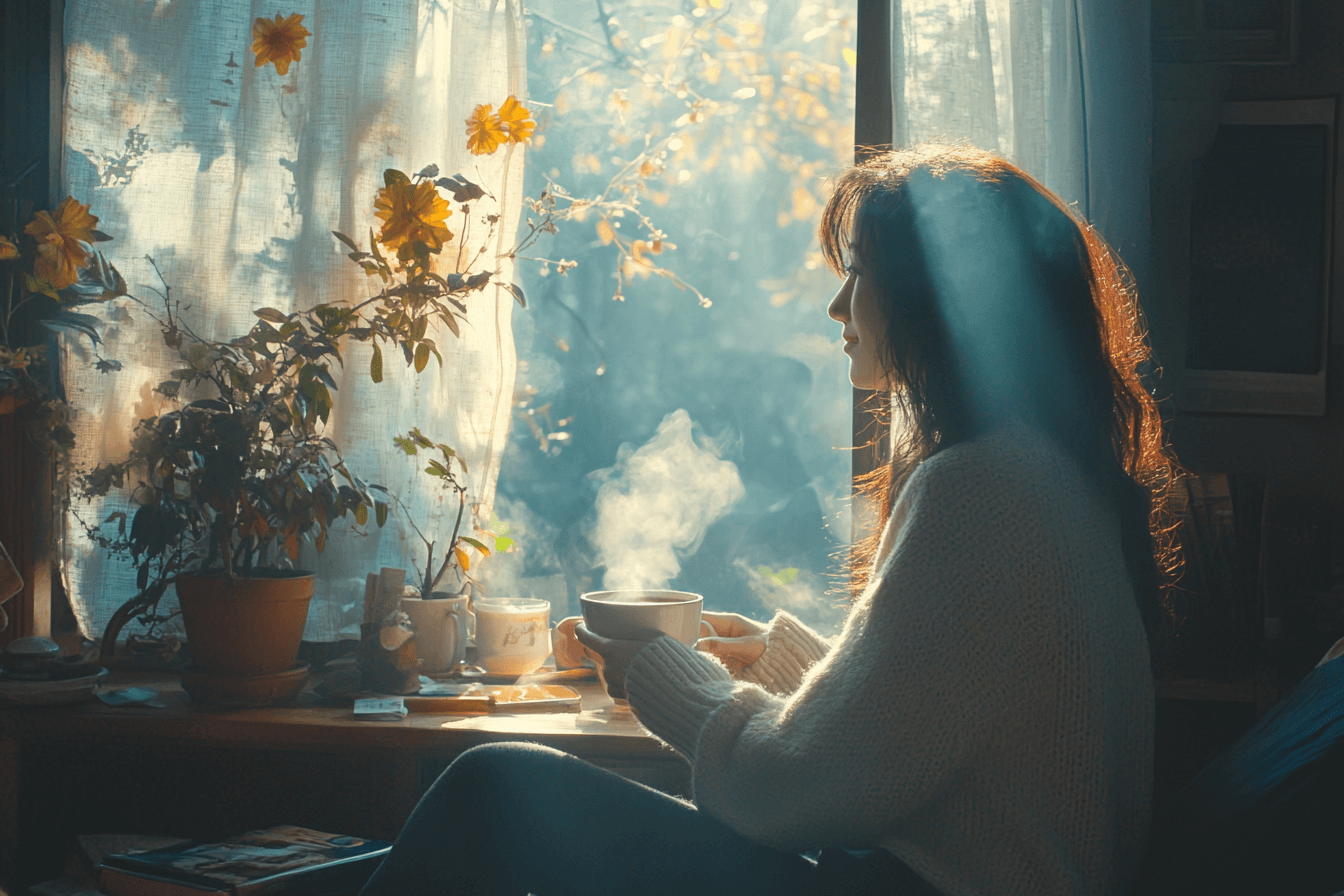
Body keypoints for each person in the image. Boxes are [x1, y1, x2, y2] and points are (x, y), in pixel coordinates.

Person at [357, 143, 1180, 896]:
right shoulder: (1050, 477)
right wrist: (777, 661)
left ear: (939, 298)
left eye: (859, 273)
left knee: (493, 788)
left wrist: (657, 673)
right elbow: (927, 730)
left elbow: (797, 790)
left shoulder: (983, 491)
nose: (837, 306)